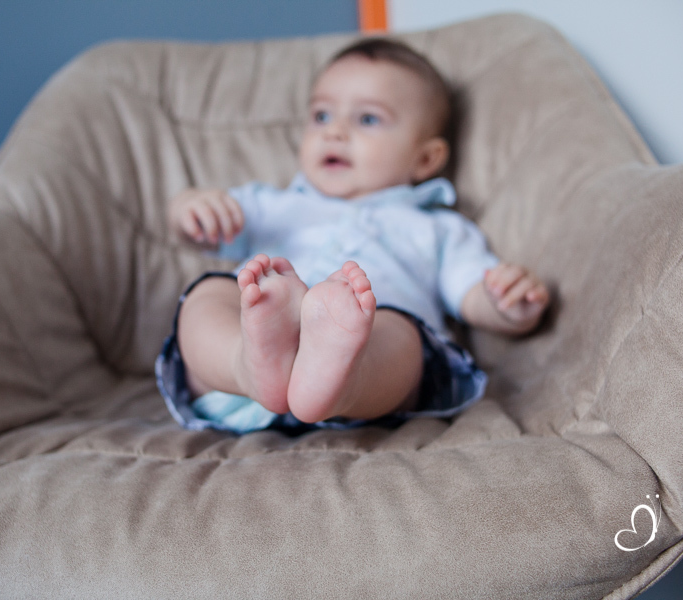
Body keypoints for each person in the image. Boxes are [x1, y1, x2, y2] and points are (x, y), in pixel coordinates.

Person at [155, 37, 550, 433]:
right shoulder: (273, 204)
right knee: (209, 297)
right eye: (322, 116)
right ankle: (248, 365)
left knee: (400, 334)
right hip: (237, 391)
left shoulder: (438, 228)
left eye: (367, 119)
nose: (335, 132)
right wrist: (190, 208)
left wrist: (506, 304)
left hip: (370, 390)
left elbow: (472, 295)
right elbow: (201, 231)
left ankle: (337, 381)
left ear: (425, 158)